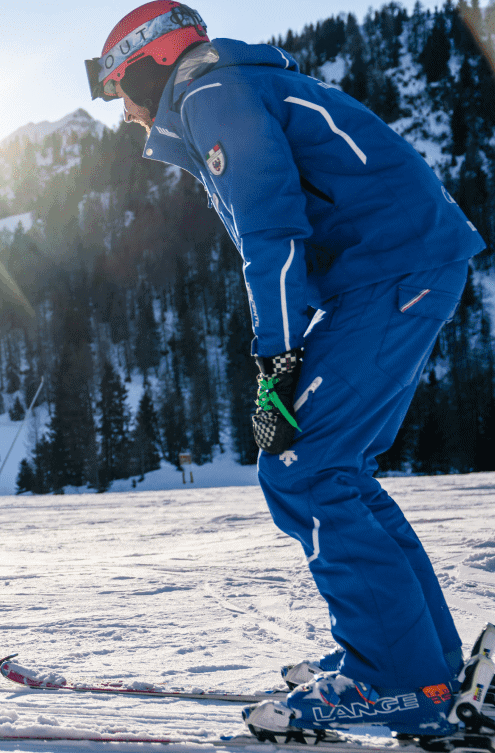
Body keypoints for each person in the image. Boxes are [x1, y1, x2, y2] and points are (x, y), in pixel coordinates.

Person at [85, 0, 486, 740]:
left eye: (118, 89)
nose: (124, 111)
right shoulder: (225, 84)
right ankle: (419, 662)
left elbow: (271, 235)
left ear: (151, 61)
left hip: (393, 270)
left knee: (307, 466)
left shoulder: (209, 91)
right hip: (396, 267)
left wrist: (275, 362)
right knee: (333, 467)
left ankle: (393, 678)